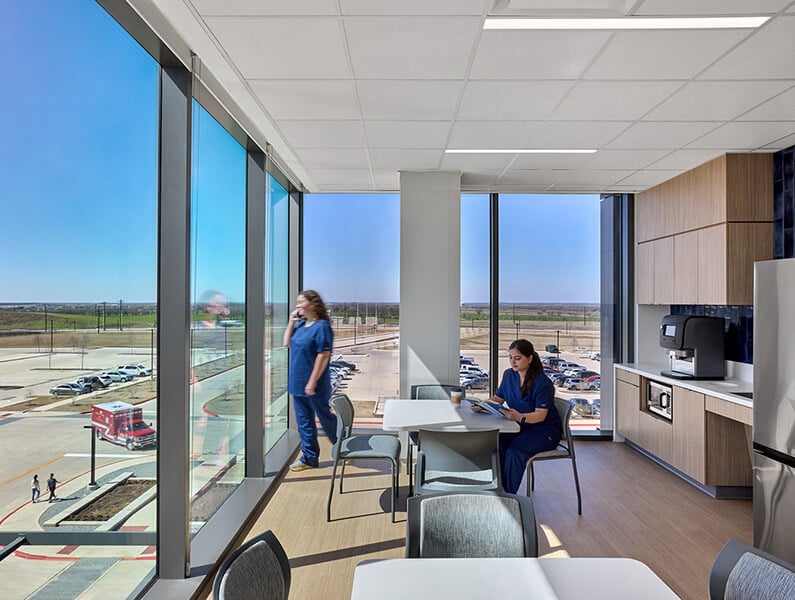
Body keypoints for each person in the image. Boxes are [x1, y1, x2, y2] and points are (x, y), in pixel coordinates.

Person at [473, 339, 561, 494]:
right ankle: (497, 487)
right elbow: (498, 399)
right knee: (496, 444)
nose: (513, 362)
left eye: (517, 358)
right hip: (520, 427)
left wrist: (519, 417)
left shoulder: (542, 383)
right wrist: (482, 406)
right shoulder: (509, 375)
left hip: (544, 432)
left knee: (515, 451)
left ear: (530, 358)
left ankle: (507, 495)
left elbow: (540, 415)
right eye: (510, 358)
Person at [283, 290, 338, 472]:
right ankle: (309, 457)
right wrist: (291, 322)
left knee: (325, 418)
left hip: (315, 384)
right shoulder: (300, 326)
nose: (298, 305)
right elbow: (286, 343)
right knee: (304, 422)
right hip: (297, 382)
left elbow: (323, 355)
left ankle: (344, 446)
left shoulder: (322, 327)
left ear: (312, 305)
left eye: (301, 302)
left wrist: (312, 382)